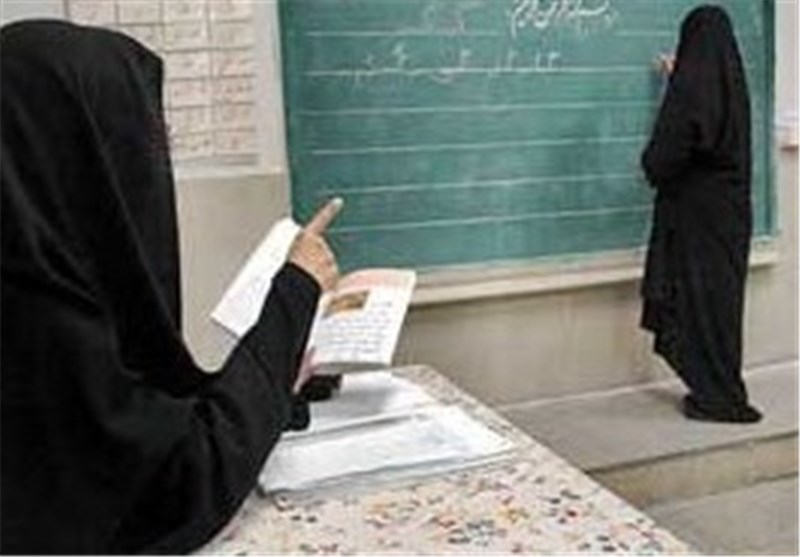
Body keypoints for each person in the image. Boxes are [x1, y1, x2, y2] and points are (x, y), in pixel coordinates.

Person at [1, 20, 342, 553]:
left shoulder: (34, 269)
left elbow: (147, 423)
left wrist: (274, 380)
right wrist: (294, 294)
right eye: (141, 140)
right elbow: (179, 487)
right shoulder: (33, 312)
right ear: (81, 155)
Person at [640, 6, 762, 423]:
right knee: (719, 309)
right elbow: (705, 124)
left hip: (696, 223)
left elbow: (663, 157)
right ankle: (721, 389)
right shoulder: (730, 86)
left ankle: (714, 397)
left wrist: (676, 90)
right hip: (729, 220)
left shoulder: (692, 95)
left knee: (697, 309)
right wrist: (680, 82)